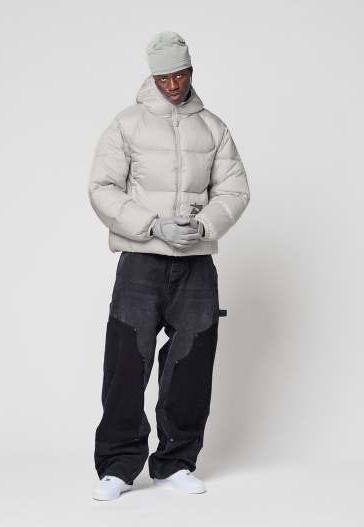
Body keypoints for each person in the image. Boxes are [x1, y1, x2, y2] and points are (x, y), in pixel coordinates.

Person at [88, 31, 250, 501]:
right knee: (126, 363)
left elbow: (235, 190)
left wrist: (204, 227)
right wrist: (152, 226)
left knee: (192, 364)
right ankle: (118, 467)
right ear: (152, 76)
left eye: (180, 75)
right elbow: (101, 188)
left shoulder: (213, 128)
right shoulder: (127, 124)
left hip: (195, 264)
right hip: (141, 261)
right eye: (164, 77)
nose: (173, 85)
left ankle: (176, 462)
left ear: (191, 71)